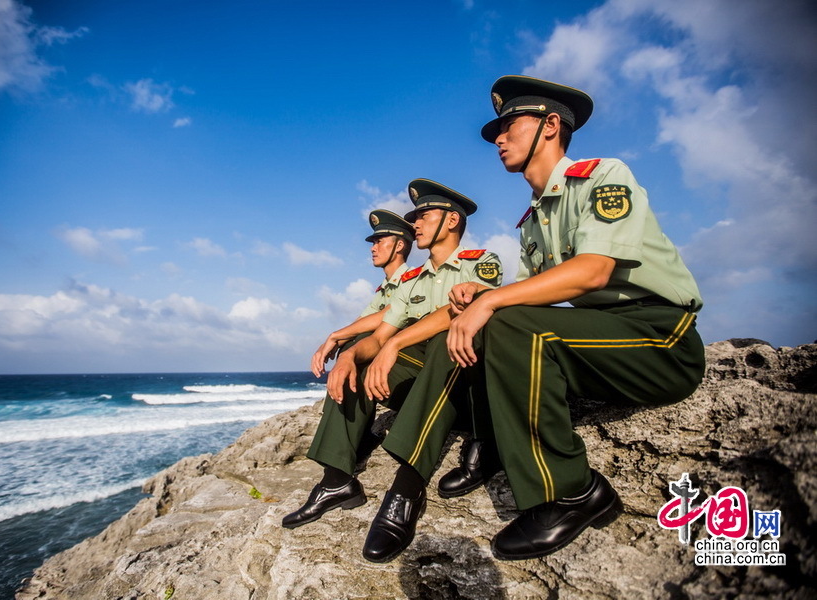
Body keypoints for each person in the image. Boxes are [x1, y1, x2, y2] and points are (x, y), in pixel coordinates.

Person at [443, 75, 705, 560]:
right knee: (498, 322)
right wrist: (484, 294)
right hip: (604, 341)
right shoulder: (531, 220)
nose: (498, 138)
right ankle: (491, 444)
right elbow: (532, 300)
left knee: (504, 320)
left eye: (509, 125)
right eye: (497, 131)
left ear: (550, 125)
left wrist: (491, 303)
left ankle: (572, 492)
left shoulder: (603, 176)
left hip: (661, 339)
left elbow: (593, 271)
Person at [282, 179, 502, 542]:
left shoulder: (480, 262)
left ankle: (407, 487)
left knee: (446, 341)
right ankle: (337, 480)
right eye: (414, 217)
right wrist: (349, 355)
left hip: (465, 384)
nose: (415, 222)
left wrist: (395, 343)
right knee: (355, 366)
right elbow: (381, 331)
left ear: (451, 221)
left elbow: (462, 311)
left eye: (424, 215)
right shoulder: (412, 281)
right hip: (423, 380)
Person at [310, 209, 415, 378]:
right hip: (389, 355)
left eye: (379, 242)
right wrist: (333, 342)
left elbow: (386, 314)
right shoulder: (384, 288)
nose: (373, 248)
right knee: (349, 343)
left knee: (360, 341)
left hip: (410, 357)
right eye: (373, 243)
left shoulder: (413, 280)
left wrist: (335, 336)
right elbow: (363, 320)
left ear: (399, 246)